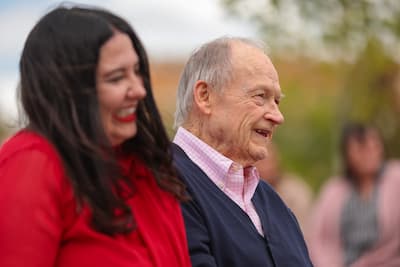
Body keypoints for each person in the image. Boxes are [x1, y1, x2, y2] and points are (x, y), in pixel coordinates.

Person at [0, 5, 191, 267]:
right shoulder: (33, 165)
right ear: (68, 89)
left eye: (137, 72)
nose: (139, 90)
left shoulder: (149, 169)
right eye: (116, 78)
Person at [172, 37, 313, 267]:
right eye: (261, 97)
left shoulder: (272, 200)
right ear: (205, 96)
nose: (278, 116)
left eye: (277, 101)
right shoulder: (162, 183)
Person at [308, 122, 400, 267]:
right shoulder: (334, 190)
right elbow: (319, 239)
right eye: (361, 148)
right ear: (347, 154)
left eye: (374, 145)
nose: (370, 152)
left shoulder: (395, 179)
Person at [255, 142, 313, 235]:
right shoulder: (247, 194)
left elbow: (304, 228)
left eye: (269, 160)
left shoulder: (295, 190)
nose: (266, 167)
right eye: (261, 162)